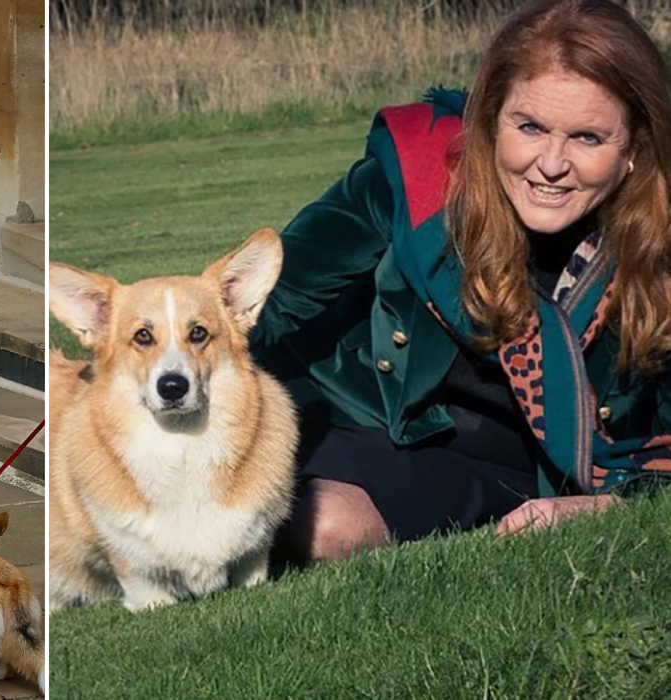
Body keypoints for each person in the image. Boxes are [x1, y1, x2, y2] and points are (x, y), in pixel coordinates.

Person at [254, 0, 671, 565]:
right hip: (359, 416)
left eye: (588, 138)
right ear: (490, 121)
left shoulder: (657, 252)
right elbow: (267, 303)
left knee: (325, 527)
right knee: (263, 510)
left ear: (632, 151)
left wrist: (607, 507)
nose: (550, 163)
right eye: (529, 127)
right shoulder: (415, 178)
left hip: (514, 466)